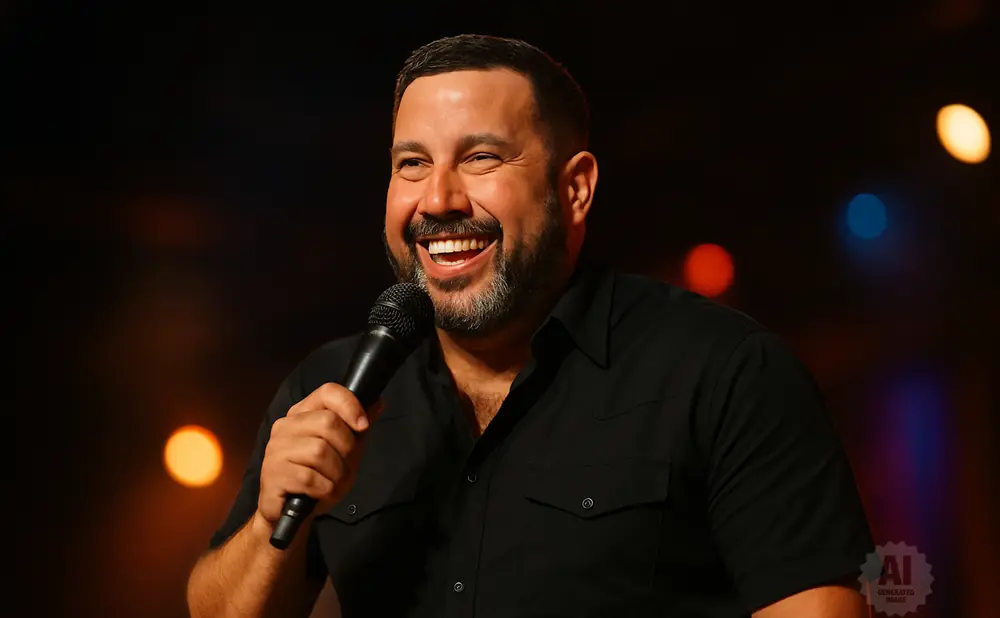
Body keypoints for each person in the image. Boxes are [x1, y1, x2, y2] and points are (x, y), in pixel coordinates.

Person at [186, 34, 876, 618]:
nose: (439, 199)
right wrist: (275, 522)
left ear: (574, 188)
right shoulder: (330, 385)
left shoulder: (724, 371)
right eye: (412, 164)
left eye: (481, 158)